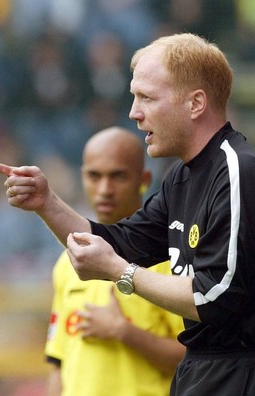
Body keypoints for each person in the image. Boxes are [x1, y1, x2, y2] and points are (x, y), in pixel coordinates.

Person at [0, 33, 255, 395]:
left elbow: (214, 295)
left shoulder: (240, 171)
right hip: (201, 370)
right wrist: (47, 203)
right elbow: (117, 243)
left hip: (245, 376)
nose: (134, 112)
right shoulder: (181, 177)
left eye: (147, 98)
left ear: (196, 103)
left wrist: (122, 273)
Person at [45, 127, 185, 396]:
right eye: (94, 176)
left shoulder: (168, 260)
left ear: (144, 179)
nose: (104, 189)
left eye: (118, 176)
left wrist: (124, 332)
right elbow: (59, 363)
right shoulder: (68, 261)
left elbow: (195, 357)